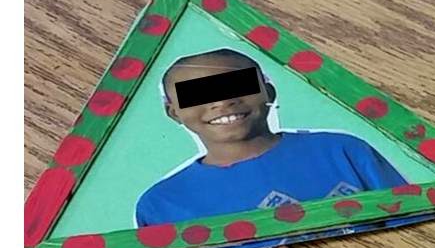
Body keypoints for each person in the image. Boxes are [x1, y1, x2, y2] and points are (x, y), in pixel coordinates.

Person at [136, 48, 407, 226]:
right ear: (173, 113)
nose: (223, 102)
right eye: (197, 95)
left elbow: (412, 226)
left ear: (269, 92)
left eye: (236, 85)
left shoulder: (344, 151)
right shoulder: (160, 204)